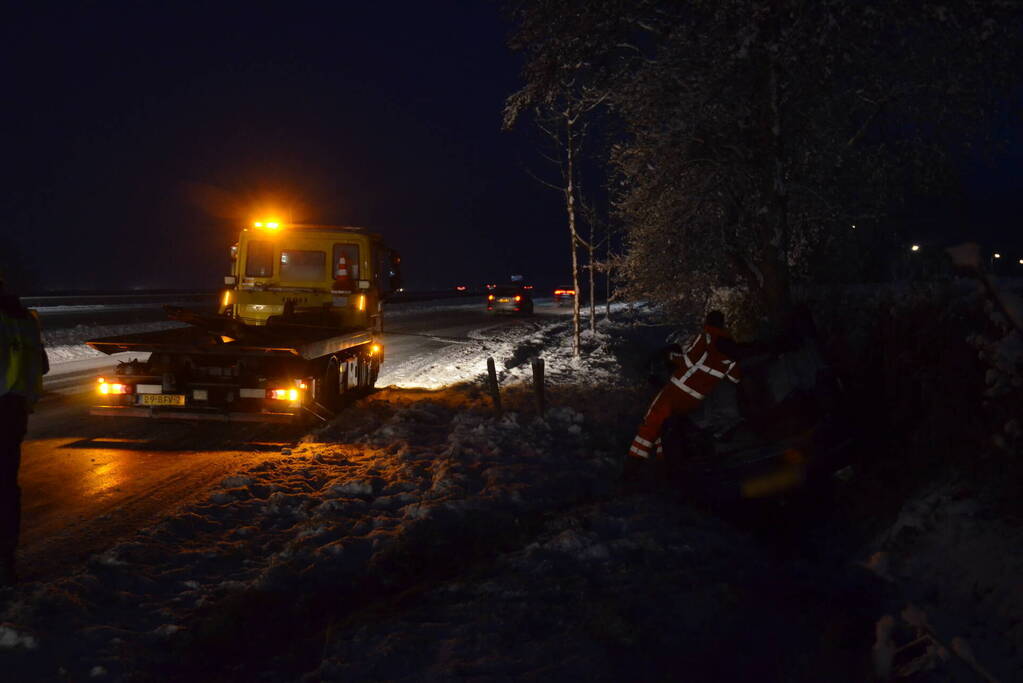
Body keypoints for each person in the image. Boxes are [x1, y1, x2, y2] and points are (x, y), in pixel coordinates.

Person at [627, 311, 749, 467]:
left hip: (678, 390)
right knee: (670, 427)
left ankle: (635, 464)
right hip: (695, 400)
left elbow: (688, 361)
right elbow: (734, 378)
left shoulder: (705, 337)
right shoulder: (730, 352)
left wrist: (671, 357)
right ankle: (664, 463)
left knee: (653, 421)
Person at [0, 276, 48, 586]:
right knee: (5, 490)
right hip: (13, 413)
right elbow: (40, 365)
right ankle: (5, 564)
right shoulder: (25, 320)